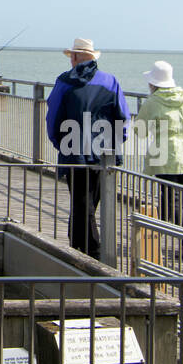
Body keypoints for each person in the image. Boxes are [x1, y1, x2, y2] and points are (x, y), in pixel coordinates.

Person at [46, 37, 130, 260]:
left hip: (74, 151)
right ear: (92, 57)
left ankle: (92, 253)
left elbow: (53, 116)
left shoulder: (64, 82)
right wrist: (116, 143)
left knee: (81, 203)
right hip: (104, 155)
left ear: (74, 57)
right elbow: (123, 117)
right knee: (89, 203)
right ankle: (79, 250)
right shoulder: (111, 81)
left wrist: (59, 143)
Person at [135, 60, 183, 225]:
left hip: (163, 156)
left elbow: (139, 131)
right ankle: (168, 234)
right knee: (179, 197)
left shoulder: (152, 101)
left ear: (153, 83)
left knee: (171, 199)